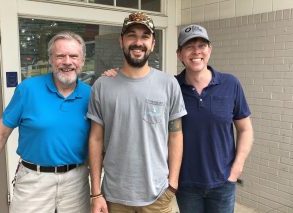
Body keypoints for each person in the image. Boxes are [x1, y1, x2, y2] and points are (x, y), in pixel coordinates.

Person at [0, 31, 91, 213]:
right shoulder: (28, 89)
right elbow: (0, 133)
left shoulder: (92, 94)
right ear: (50, 59)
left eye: (74, 56)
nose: (67, 62)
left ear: (82, 60)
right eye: (60, 56)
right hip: (34, 181)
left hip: (77, 182)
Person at [87, 12, 187, 213]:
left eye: (145, 36)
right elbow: (96, 139)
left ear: (153, 44)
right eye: (132, 35)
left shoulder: (169, 84)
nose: (138, 42)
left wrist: (173, 183)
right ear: (121, 40)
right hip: (115, 197)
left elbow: (175, 135)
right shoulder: (102, 86)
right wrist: (96, 192)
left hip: (158, 196)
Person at [175, 24, 254, 213]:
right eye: (189, 46)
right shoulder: (172, 87)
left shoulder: (230, 83)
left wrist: (236, 170)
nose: (196, 52)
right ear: (180, 54)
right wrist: (117, 76)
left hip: (223, 183)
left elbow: (245, 129)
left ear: (209, 50)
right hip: (186, 184)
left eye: (202, 45)